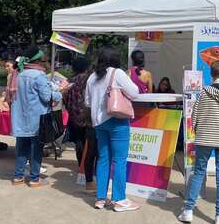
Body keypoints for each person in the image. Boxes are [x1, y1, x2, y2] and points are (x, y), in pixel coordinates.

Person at [178, 60, 219, 224]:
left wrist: (197, 130)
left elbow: (195, 114)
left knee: (199, 172)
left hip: (205, 137)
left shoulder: (204, 92)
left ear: (211, 74)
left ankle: (189, 210)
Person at [85, 47, 140, 212]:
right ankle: (119, 199)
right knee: (119, 160)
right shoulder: (118, 73)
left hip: (99, 122)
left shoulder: (92, 77)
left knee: (103, 159)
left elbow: (88, 102)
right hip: (117, 120)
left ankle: (100, 198)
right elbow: (135, 92)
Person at [11, 46, 61, 187]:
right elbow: (46, 97)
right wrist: (59, 93)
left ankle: (18, 176)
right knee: (36, 149)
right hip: (37, 119)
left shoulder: (18, 74)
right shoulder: (38, 76)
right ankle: (34, 179)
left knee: (21, 148)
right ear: (38, 61)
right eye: (44, 59)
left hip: (20, 118)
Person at [63, 56, 96, 193]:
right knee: (91, 145)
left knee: (79, 143)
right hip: (88, 117)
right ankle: (89, 170)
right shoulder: (90, 79)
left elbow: (64, 98)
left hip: (73, 117)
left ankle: (80, 167)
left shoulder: (69, 81)